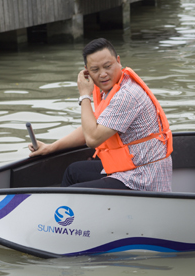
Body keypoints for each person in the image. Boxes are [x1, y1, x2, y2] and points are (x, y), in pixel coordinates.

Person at [29, 38, 173, 192]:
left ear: (118, 61)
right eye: (95, 70)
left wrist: (84, 95)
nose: (103, 74)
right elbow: (89, 129)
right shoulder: (111, 90)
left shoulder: (126, 95)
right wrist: (50, 148)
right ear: (87, 72)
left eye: (107, 66)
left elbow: (92, 139)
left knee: (74, 192)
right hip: (127, 168)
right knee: (74, 171)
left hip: (142, 177)